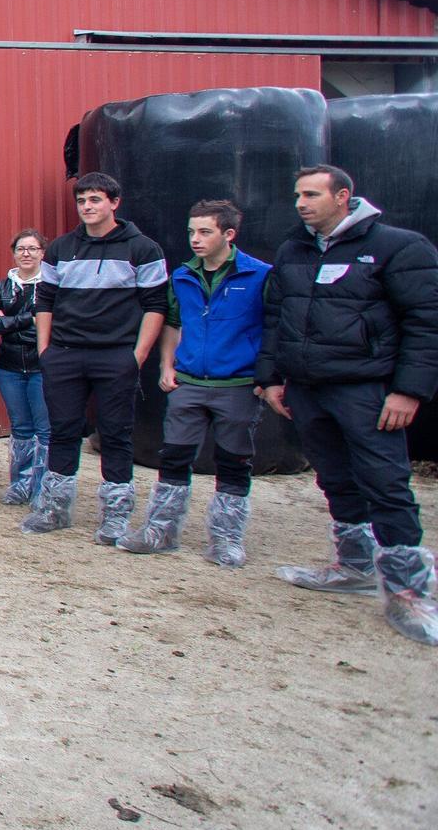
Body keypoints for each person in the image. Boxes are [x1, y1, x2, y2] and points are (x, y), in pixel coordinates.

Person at [260, 165, 438, 645]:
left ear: (343, 196)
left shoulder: (397, 247)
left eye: (312, 194)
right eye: (298, 194)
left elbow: (427, 322)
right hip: (307, 389)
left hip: (367, 389)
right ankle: (354, 566)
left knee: (385, 481)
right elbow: (277, 318)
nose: (301, 203)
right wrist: (271, 379)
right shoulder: (293, 250)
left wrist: (409, 390)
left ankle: (410, 590)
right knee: (335, 476)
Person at [120, 201, 268, 564]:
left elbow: (274, 329)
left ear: (228, 234)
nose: (195, 239)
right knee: (174, 455)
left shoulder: (259, 276)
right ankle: (161, 530)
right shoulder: (183, 276)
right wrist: (166, 365)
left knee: (233, 461)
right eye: (191, 232)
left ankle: (226, 539)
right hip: (188, 382)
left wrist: (268, 376)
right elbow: (172, 322)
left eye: (205, 232)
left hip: (237, 384)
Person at [24, 173, 168, 539]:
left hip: (116, 356)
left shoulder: (143, 249)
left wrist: (136, 356)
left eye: (95, 200)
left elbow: (155, 306)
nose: (87, 207)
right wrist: (46, 349)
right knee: (63, 431)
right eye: (82, 201)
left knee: (117, 435)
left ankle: (115, 515)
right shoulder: (61, 248)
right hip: (66, 355)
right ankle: (55, 509)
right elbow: (46, 301)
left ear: (114, 203)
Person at [0, 230, 50, 507]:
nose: (26, 254)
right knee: (21, 426)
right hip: (8, 365)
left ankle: (44, 487)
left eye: (33, 249)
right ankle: (20, 485)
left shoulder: (50, 286)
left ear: (42, 253)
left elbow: (53, 324)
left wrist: (7, 320)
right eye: (21, 249)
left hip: (41, 365)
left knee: (44, 429)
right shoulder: (3, 287)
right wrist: (27, 319)